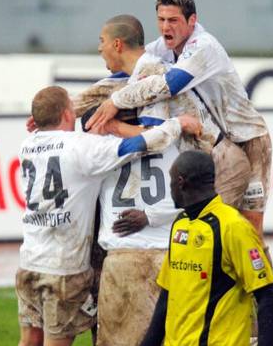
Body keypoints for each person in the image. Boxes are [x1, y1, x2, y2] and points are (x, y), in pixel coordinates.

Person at [16, 85, 200, 346]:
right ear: (68, 115)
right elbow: (136, 145)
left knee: (29, 340)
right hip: (63, 266)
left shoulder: (27, 145)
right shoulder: (82, 147)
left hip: (29, 261)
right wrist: (177, 124)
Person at [85, 0, 272, 244]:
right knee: (213, 228)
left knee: (249, 228)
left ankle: (260, 282)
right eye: (161, 20)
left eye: (173, 20)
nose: (165, 27)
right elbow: (131, 70)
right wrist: (77, 102)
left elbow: (171, 84)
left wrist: (116, 102)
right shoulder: (164, 45)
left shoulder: (204, 46)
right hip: (216, 144)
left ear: (192, 21)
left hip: (250, 139)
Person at [88, 14, 214, 346]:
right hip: (170, 251)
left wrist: (112, 123)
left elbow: (135, 140)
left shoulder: (102, 143)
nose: (98, 49)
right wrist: (177, 126)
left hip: (123, 255)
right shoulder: (175, 138)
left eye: (101, 42)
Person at [140, 150, 273, 346]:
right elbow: (167, 295)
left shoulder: (232, 227)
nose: (170, 187)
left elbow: (267, 295)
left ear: (181, 182)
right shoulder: (180, 224)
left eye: (170, 181)